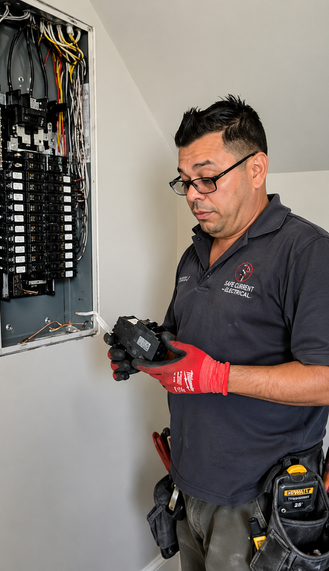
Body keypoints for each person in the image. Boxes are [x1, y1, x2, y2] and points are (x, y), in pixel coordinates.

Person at [106, 95, 329, 570]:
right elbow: (180, 346)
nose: (192, 194)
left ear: (256, 168)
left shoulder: (307, 252)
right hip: (190, 484)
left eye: (207, 177)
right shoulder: (194, 254)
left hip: (260, 503)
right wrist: (146, 354)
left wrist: (216, 376)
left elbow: (324, 378)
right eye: (185, 182)